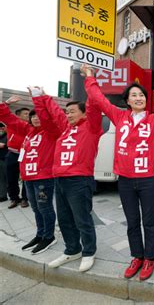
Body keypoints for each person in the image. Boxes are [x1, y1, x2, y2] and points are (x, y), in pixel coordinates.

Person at [81, 64, 154, 281]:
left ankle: (150, 258)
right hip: (125, 180)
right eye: (133, 95)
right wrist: (89, 76)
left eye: (141, 94)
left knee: (149, 221)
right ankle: (137, 256)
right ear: (127, 101)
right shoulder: (119, 116)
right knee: (132, 221)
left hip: (147, 180)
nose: (138, 97)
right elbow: (99, 99)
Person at [28, 87, 103, 272]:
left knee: (82, 219)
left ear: (84, 113)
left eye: (72, 111)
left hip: (79, 180)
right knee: (64, 219)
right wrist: (40, 97)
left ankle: (88, 252)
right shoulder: (65, 129)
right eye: (67, 111)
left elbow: (94, 105)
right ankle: (72, 249)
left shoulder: (92, 127)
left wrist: (89, 78)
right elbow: (51, 115)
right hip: (59, 179)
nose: (68, 115)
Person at [0, 94, 60, 254]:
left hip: (43, 178)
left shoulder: (51, 132)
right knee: (36, 208)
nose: (35, 119)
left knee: (45, 207)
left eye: (39, 116)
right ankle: (40, 234)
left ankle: (49, 236)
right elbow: (9, 119)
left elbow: (49, 120)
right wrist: (2, 104)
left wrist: (39, 99)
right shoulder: (28, 131)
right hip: (28, 177)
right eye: (33, 116)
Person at [6, 107, 29, 209]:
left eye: (29, 114)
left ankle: (25, 198)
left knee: (26, 178)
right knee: (11, 178)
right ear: (18, 115)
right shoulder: (11, 124)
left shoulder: (30, 126)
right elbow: (5, 116)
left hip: (26, 154)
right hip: (12, 154)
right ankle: (14, 198)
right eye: (25, 114)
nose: (28, 116)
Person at [0, 123, 7, 202]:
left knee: (8, 178)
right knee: (1, 179)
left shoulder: (7, 136)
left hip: (6, 159)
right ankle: (2, 195)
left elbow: (3, 145)